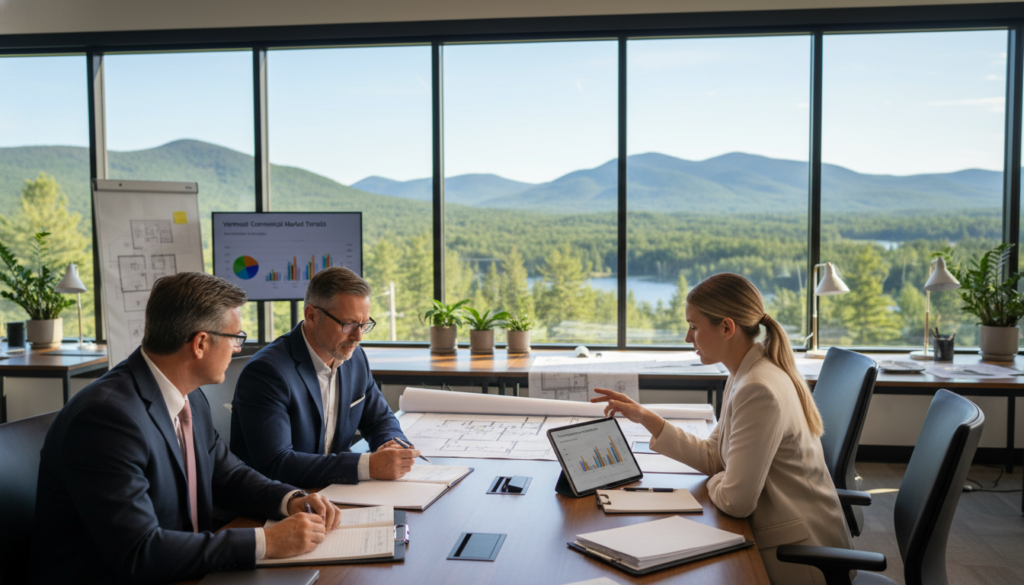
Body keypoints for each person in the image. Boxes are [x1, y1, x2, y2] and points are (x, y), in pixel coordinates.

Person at [33, 272, 342, 584]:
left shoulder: (189, 397)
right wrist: (267, 542)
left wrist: (291, 499)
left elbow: (229, 475)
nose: (238, 349)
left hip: (187, 569)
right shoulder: (106, 420)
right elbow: (140, 552)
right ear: (200, 343)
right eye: (236, 337)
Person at [592, 272, 852, 585]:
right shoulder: (743, 374)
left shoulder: (758, 388)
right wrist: (647, 417)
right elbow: (716, 457)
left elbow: (736, 501)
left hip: (799, 555)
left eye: (694, 326)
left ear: (727, 327)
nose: (688, 338)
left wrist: (721, 479)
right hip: (780, 534)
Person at [231, 266, 417, 488]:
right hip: (280, 501)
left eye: (364, 325)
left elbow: (379, 420)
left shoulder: (354, 358)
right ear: (311, 316)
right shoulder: (267, 372)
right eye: (348, 324)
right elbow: (276, 463)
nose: (358, 337)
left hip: (333, 492)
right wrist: (367, 466)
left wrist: (392, 444)